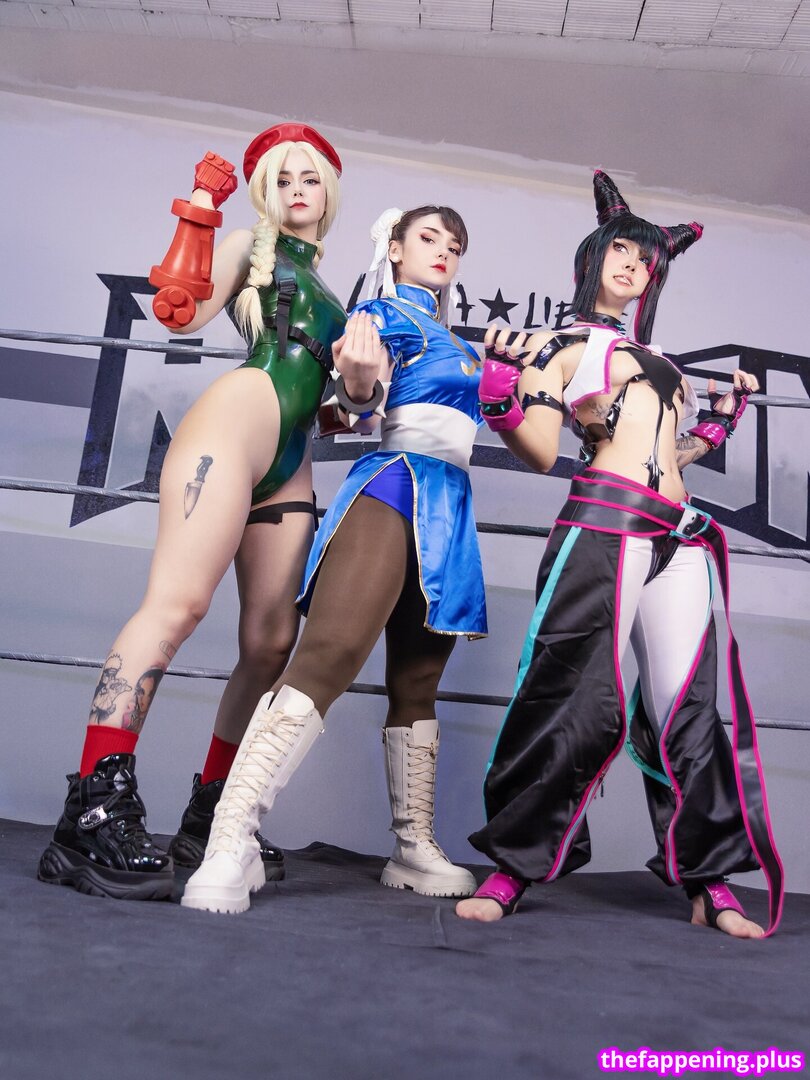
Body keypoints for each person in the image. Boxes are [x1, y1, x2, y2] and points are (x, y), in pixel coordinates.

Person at [456, 170, 783, 938]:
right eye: (622, 251)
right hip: (606, 522)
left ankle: (708, 881)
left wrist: (720, 423)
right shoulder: (560, 344)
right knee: (568, 693)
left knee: (688, 708)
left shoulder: (658, 356)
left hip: (680, 534)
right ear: (593, 257)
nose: (634, 266)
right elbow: (541, 451)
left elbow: (671, 452)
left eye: (646, 259)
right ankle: (513, 868)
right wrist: (501, 394)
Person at [38, 123, 346, 900]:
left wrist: (358, 393)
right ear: (265, 192)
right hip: (235, 425)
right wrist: (202, 210)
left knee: (271, 643)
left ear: (330, 192)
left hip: (293, 456)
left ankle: (214, 817)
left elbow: (336, 404)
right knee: (176, 606)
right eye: (282, 178)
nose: (297, 189)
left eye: (309, 177)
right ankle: (93, 811)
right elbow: (179, 311)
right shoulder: (252, 246)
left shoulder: (331, 290)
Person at [180, 204, 487, 914]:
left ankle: (412, 845)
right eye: (429, 238)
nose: (443, 251)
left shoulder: (453, 337)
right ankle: (231, 837)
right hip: (396, 484)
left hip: (449, 505)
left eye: (455, 245)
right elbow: (355, 400)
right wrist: (359, 384)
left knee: (419, 676)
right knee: (329, 654)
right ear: (395, 248)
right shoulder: (380, 313)